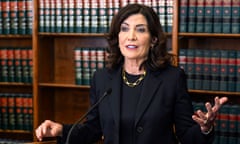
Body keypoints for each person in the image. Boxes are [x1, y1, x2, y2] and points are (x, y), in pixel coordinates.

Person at [35, 3, 228, 144]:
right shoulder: (102, 78)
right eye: (124, 29)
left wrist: (205, 128)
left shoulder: (172, 78)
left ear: (153, 39)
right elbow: (94, 129)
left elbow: (186, 135)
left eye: (140, 30)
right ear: (117, 36)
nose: (131, 36)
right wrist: (61, 129)